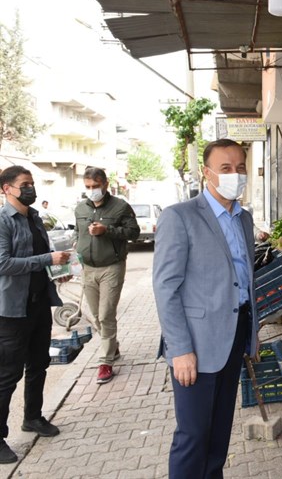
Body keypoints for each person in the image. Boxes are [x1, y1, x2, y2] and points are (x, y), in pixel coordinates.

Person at [153, 139, 258, 478]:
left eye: (240, 168)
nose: (234, 175)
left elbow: (242, 278)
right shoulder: (180, 217)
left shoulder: (244, 218)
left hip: (234, 333)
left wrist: (251, 333)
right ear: (206, 173)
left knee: (219, 433)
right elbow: (165, 287)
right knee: (193, 435)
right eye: (225, 168)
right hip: (196, 344)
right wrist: (180, 349)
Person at [0, 166, 71, 464]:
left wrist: (57, 270)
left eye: (32, 183)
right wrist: (46, 259)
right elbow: (4, 263)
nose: (30, 189)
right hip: (12, 310)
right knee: (8, 374)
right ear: (7, 189)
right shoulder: (3, 221)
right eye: (24, 184)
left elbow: (42, 257)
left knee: (39, 363)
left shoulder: (35, 217)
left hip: (39, 303)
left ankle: (32, 417)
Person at [74, 167, 140, 384]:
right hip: (88, 269)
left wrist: (108, 230)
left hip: (112, 266)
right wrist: (77, 247)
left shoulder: (120, 207)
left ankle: (105, 362)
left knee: (105, 314)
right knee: (94, 315)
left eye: (95, 186)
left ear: (105, 184)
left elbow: (134, 233)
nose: (92, 191)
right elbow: (78, 232)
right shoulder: (81, 208)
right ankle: (113, 347)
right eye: (88, 187)